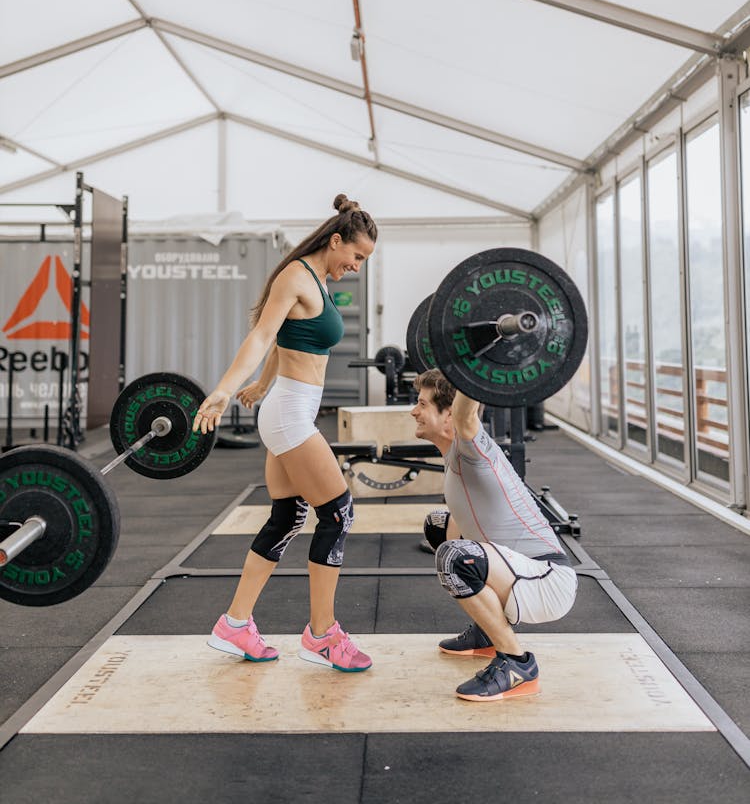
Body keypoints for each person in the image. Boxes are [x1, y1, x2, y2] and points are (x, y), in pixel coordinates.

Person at [193, 193, 377, 673]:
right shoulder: (296, 276)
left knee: (288, 516)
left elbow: (287, 338)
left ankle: (235, 624)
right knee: (337, 514)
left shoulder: (317, 279)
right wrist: (224, 390)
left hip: (288, 407)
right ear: (335, 241)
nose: (356, 267)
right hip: (290, 415)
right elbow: (260, 334)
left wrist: (261, 383)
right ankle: (322, 636)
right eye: (356, 256)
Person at [410, 369, 577, 701]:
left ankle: (517, 665)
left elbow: (466, 412)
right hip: (521, 572)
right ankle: (487, 633)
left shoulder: (472, 447)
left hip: (546, 581)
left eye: (422, 403)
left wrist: (471, 364)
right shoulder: (454, 455)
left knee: (454, 560)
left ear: (448, 418)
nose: (413, 410)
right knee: (438, 525)